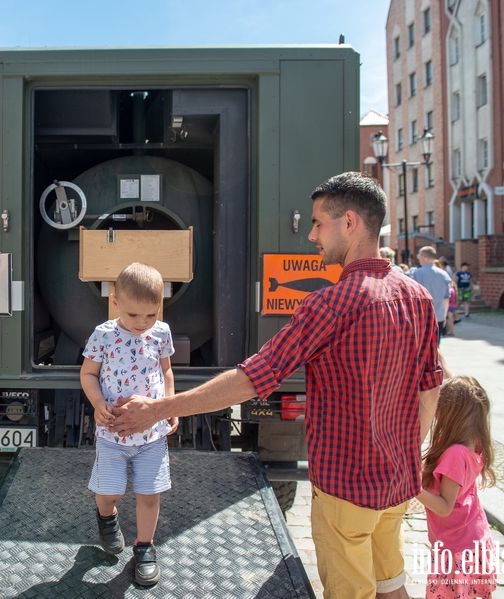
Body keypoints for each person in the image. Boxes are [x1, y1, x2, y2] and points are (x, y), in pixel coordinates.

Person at [110, 172, 442, 599]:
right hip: (397, 484)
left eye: (320, 223)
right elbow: (430, 388)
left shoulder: (333, 303)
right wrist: (406, 456)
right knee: (392, 586)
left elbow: (254, 378)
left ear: (350, 223)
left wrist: (157, 408)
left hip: (347, 490)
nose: (311, 234)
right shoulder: (416, 296)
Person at [80, 262, 177, 587]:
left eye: (150, 315)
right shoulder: (104, 335)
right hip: (112, 433)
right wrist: (97, 404)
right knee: (110, 492)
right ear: (116, 301)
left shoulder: (160, 333)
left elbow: (165, 372)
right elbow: (88, 374)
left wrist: (168, 405)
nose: (142, 323)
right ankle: (106, 517)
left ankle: (145, 548)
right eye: (134, 315)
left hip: (151, 435)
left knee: (149, 494)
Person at [416, 376, 497, 598]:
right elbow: (468, 395)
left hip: (457, 547)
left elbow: (444, 507)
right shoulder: (472, 441)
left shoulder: (455, 454)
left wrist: (410, 488)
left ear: (448, 413)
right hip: (469, 537)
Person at [412, 246, 452, 346]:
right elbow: (446, 298)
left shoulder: (417, 273)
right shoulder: (444, 274)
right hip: (439, 315)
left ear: (423, 256)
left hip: (421, 316)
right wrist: (444, 315)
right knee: (436, 347)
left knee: (421, 347)